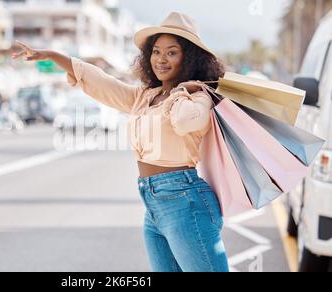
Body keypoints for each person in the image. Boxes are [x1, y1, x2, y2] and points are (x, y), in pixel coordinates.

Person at [13, 12, 229, 272]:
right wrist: (55, 56)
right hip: (152, 204)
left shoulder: (198, 95)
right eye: (156, 51)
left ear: (189, 57)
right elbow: (103, 83)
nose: (161, 59)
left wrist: (182, 91)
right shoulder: (145, 97)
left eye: (172, 52)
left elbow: (185, 122)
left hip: (186, 202)